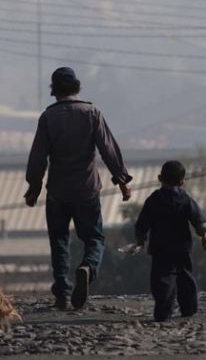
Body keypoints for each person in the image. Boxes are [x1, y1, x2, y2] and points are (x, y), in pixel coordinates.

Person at [25, 67, 133, 310]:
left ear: (54, 91)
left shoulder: (48, 117)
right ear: (77, 87)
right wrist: (123, 182)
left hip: (58, 192)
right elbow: (109, 150)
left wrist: (33, 187)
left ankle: (62, 293)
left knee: (59, 240)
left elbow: (38, 155)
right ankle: (88, 267)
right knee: (94, 238)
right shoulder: (91, 113)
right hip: (87, 190)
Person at [134, 160, 206, 321]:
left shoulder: (154, 199)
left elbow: (143, 222)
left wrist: (140, 239)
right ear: (182, 181)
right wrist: (203, 235)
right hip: (182, 246)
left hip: (160, 247)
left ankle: (163, 310)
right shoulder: (185, 198)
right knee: (185, 277)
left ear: (159, 177)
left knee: (162, 279)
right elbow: (197, 218)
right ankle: (188, 308)